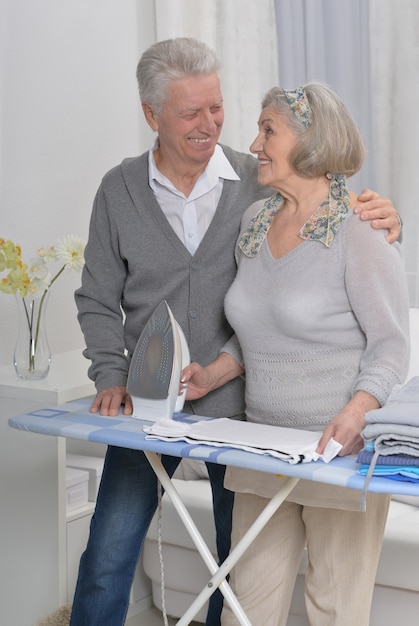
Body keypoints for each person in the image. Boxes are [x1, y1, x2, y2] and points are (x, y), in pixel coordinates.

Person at [71, 37, 401, 626]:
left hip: (289, 433)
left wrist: (384, 213)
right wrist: (125, 374)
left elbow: (384, 332)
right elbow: (104, 299)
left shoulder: (288, 197)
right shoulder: (207, 206)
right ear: (152, 115)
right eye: (189, 112)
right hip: (199, 419)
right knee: (168, 579)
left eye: (218, 108)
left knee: (293, 598)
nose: (218, 129)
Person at [181, 82, 410, 626]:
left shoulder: (361, 229)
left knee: (334, 612)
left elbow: (391, 347)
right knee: (246, 609)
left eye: (268, 130)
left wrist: (357, 414)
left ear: (310, 141)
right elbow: (257, 329)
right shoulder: (253, 223)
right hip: (263, 448)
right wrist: (212, 375)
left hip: (340, 455)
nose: (255, 144)